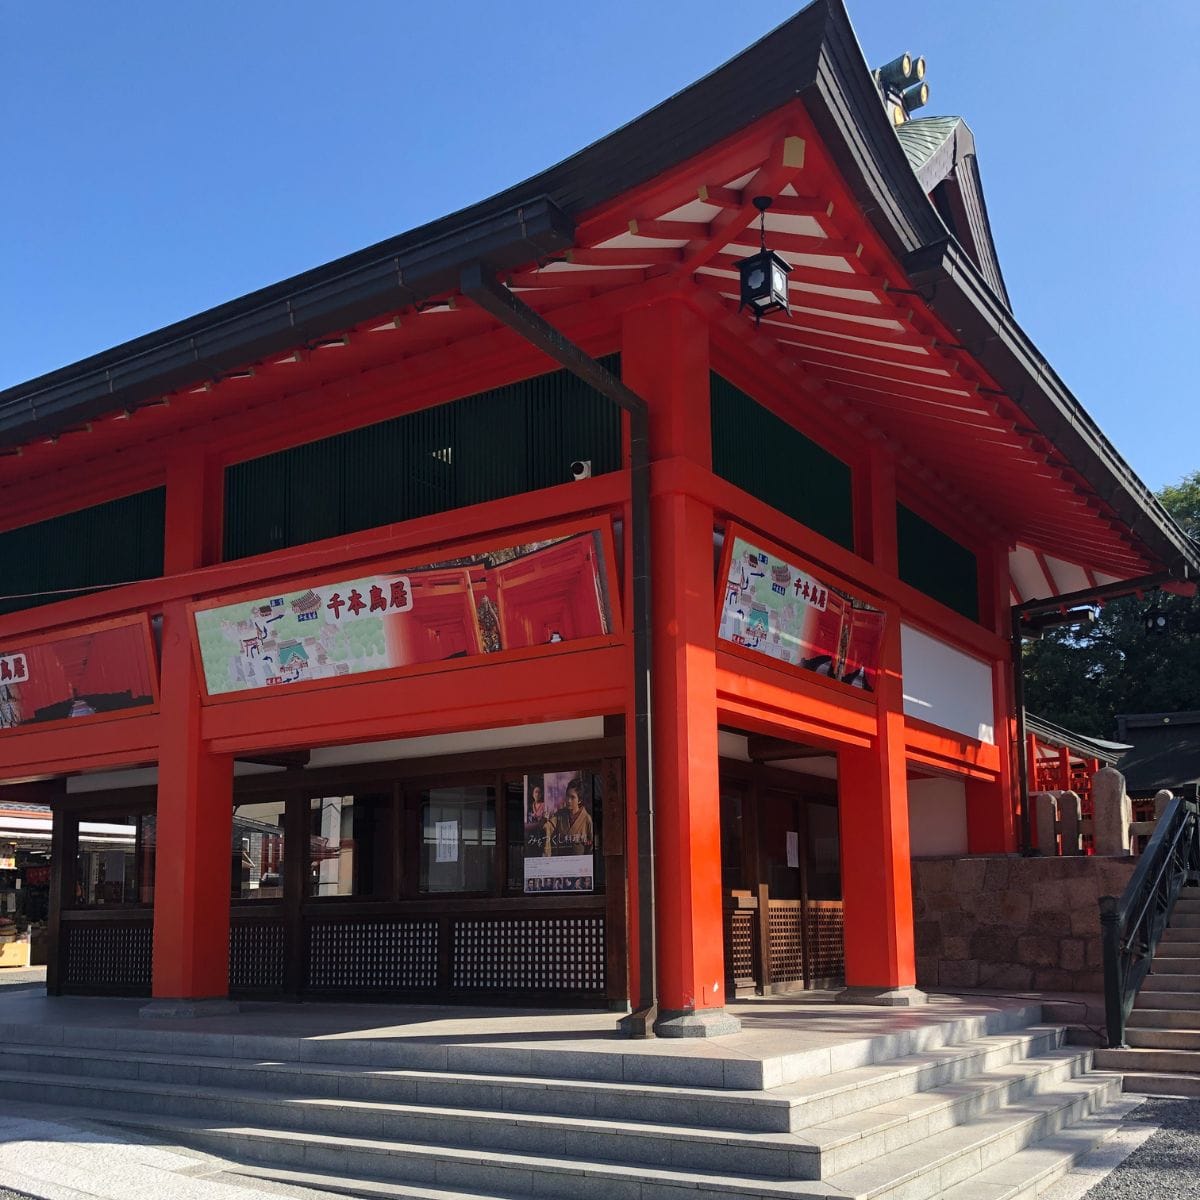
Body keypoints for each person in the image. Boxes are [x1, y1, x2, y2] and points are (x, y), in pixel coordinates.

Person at [552, 778, 594, 855]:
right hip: (561, 861)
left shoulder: (587, 819)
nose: (569, 800)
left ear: (579, 800)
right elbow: (549, 826)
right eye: (567, 796)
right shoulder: (560, 814)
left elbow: (591, 848)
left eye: (572, 797)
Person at [524, 783, 553, 857]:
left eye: (539, 792)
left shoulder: (544, 805)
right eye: (536, 792)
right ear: (533, 794)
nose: (537, 794)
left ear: (541, 794)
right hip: (532, 830)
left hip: (541, 829)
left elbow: (546, 818)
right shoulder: (530, 806)